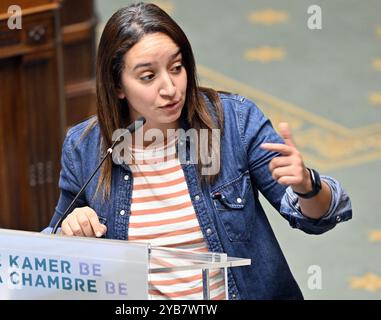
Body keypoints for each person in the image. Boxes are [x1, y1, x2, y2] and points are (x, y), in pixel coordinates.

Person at [46, 2, 352, 300]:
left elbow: (319, 219)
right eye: (148, 77)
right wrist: (69, 233)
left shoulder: (235, 122)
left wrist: (307, 186)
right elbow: (50, 254)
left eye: (176, 68)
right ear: (117, 87)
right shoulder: (84, 147)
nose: (170, 88)